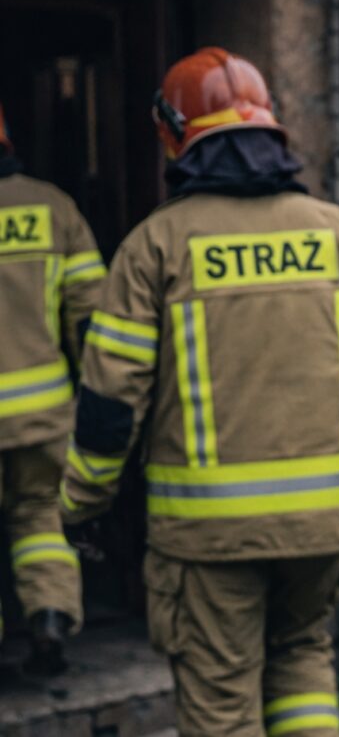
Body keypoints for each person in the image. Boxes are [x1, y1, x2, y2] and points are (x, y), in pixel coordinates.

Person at [59, 47, 339, 737]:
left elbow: (111, 402)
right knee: (302, 663)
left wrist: (84, 504)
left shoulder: (154, 247)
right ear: (270, 128)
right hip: (326, 526)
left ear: (174, 134)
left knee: (222, 704)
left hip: (207, 540)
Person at [0, 103, 105, 673]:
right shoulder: (53, 207)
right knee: (40, 516)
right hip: (44, 414)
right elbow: (91, 317)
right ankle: (49, 618)